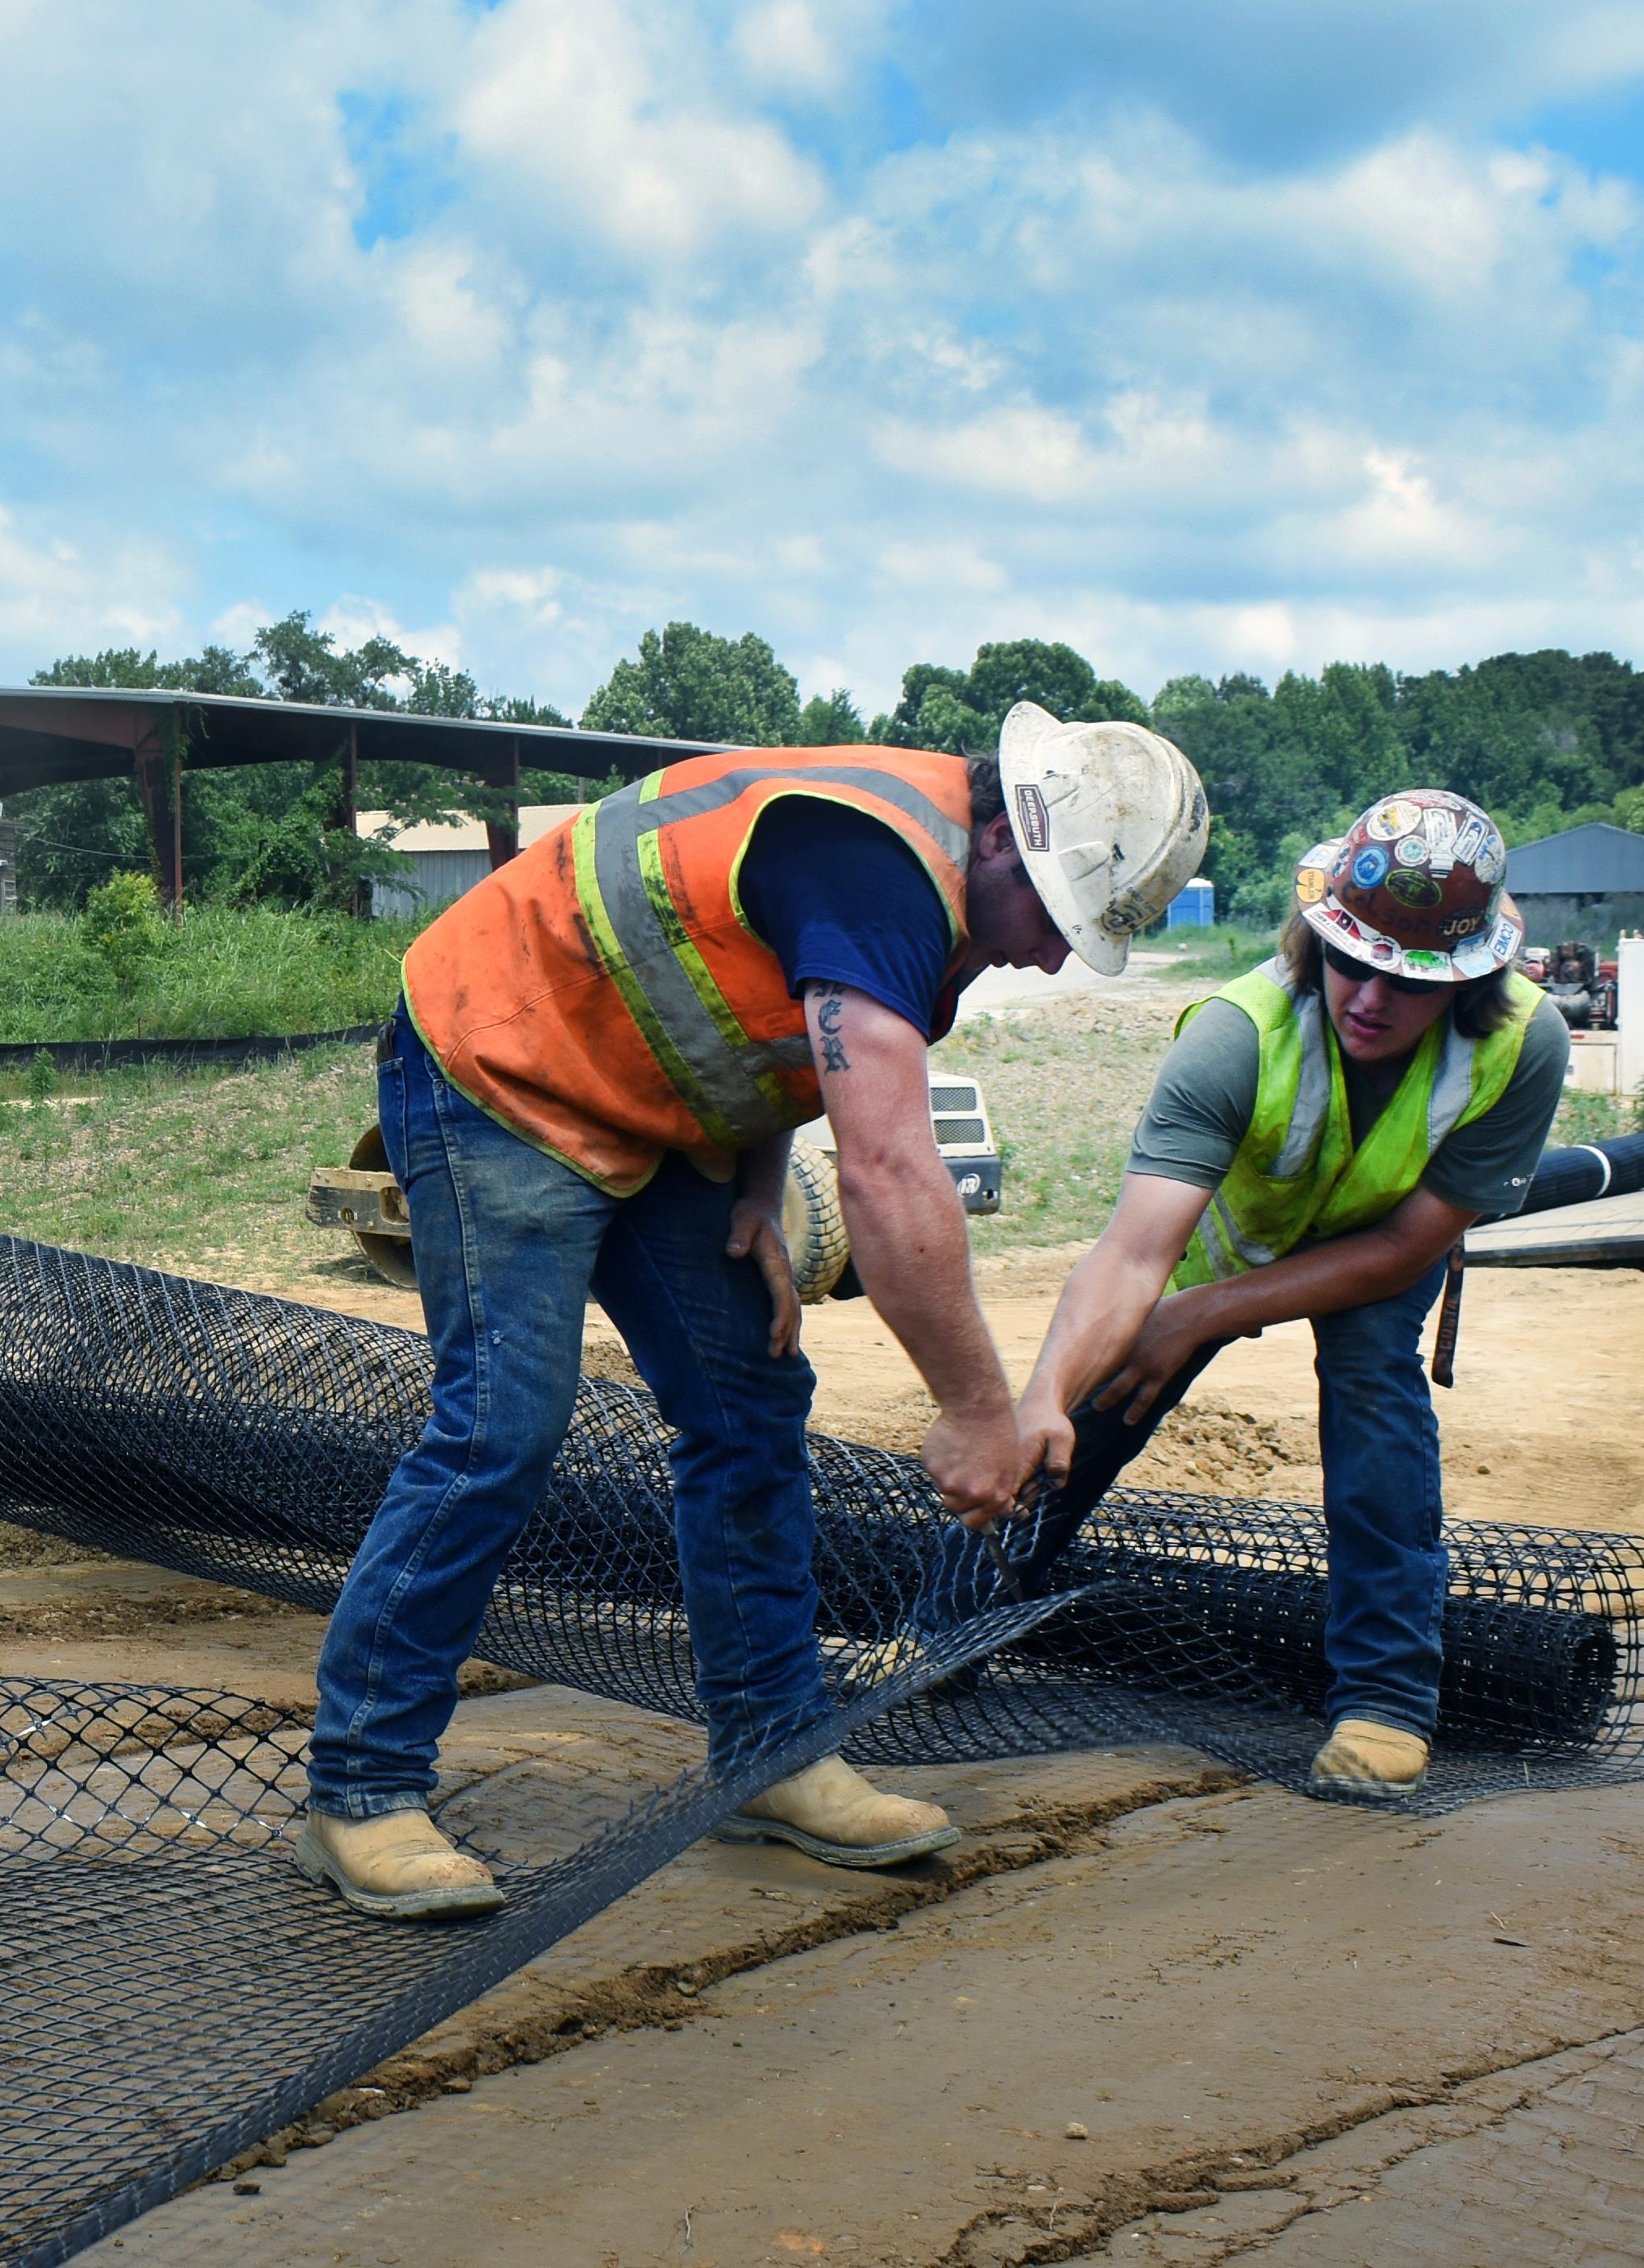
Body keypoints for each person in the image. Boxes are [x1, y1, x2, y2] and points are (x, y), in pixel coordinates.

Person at [295, 703, 1216, 1918]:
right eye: (1055, 920)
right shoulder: (878, 864)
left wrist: (755, 1182)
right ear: (1003, 839)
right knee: (502, 1423)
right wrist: (975, 1409)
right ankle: (361, 1786)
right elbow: (890, 1172)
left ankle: (773, 1748)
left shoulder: (937, 878)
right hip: (500, 1061)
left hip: (646, 1100)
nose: (1050, 959)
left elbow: (753, 998)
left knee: (748, 1400)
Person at [1006, 791, 1568, 1802]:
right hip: (1223, 1246)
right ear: (1318, 940)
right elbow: (1130, 1253)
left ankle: (1385, 1703)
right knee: (1100, 1394)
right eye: (1351, 961)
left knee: (1372, 1383)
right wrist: (1048, 1391)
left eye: (1407, 979)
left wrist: (1202, 1316)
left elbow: (1403, 1248)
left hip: (1381, 1252)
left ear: (1466, 980)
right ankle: (943, 1622)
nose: (1370, 998)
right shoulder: (1236, 1034)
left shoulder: (1523, 1045)